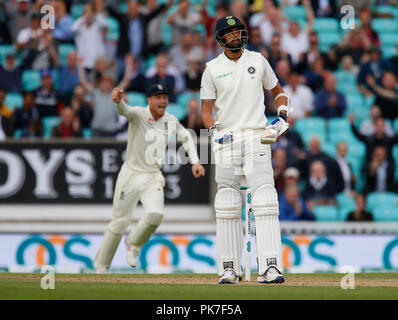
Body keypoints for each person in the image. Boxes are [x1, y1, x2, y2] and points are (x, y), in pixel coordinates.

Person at [200, 16, 290, 284]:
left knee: (265, 198)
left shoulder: (258, 60)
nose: (237, 36)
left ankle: (270, 267)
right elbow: (206, 110)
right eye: (231, 33)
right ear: (220, 39)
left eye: (239, 31)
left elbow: (278, 91)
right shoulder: (212, 69)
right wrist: (214, 130)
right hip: (227, 137)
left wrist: (283, 115)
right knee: (227, 201)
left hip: (256, 135)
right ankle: (229, 268)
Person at [94, 83, 205, 273]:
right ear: (149, 100)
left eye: (165, 97)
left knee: (155, 214)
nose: (163, 101)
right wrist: (117, 101)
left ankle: (133, 244)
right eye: (158, 97)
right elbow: (124, 111)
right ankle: (101, 266)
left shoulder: (170, 120)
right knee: (120, 221)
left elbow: (186, 136)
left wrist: (195, 161)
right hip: (130, 174)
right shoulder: (138, 114)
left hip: (152, 175)